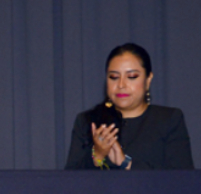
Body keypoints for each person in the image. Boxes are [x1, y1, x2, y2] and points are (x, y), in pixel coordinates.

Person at [65, 43, 193, 170]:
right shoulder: (87, 121)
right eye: (114, 77)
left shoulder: (169, 120)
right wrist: (97, 156)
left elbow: (182, 181)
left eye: (131, 77)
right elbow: (68, 182)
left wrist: (126, 163)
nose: (121, 84)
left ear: (148, 80)